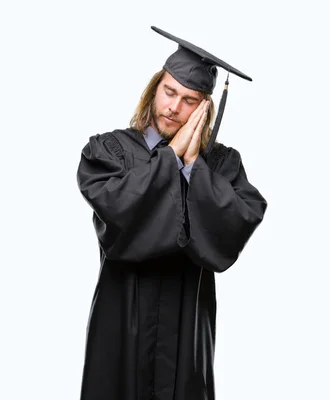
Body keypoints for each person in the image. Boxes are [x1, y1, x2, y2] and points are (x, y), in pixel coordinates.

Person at [76, 26, 267, 400]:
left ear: (205, 109)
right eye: (169, 91)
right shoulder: (109, 151)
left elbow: (237, 224)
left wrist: (194, 163)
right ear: (154, 88)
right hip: (122, 323)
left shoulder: (221, 164)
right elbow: (117, 212)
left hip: (187, 326)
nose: (174, 107)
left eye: (190, 100)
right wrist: (170, 158)